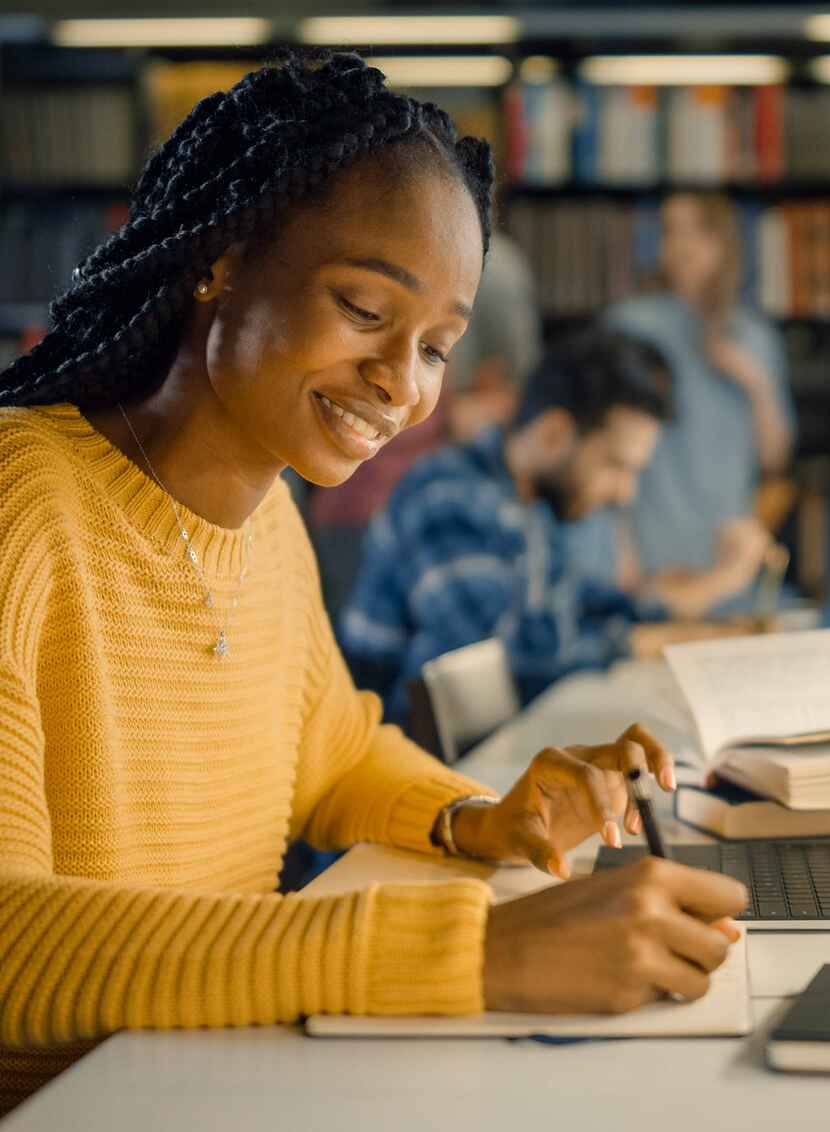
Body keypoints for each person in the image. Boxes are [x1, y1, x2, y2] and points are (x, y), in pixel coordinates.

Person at [0, 54, 744, 1113]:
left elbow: (332, 752)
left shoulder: (268, 516)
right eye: (363, 308)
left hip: (213, 1072)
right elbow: (11, 947)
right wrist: (468, 950)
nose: (403, 383)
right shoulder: (19, 504)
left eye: (438, 346)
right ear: (220, 257)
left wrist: (483, 817)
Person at [339, 328, 764, 722]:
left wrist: (672, 613)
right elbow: (497, 665)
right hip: (404, 766)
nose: (625, 493)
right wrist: (644, 641)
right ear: (555, 433)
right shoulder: (449, 500)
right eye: (616, 466)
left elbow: (569, 605)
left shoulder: (527, 505)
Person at [305, 232, 542, 616]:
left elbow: (511, 397)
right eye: (363, 312)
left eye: (435, 349)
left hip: (425, 508)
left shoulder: (496, 272)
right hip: (355, 510)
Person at [584, 191, 795, 609]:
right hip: (653, 558)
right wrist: (617, 547)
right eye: (669, 232)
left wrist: (756, 385)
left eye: (696, 231)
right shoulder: (630, 326)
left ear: (724, 242)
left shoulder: (754, 338)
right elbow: (600, 449)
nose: (680, 246)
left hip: (730, 562)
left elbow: (775, 459)